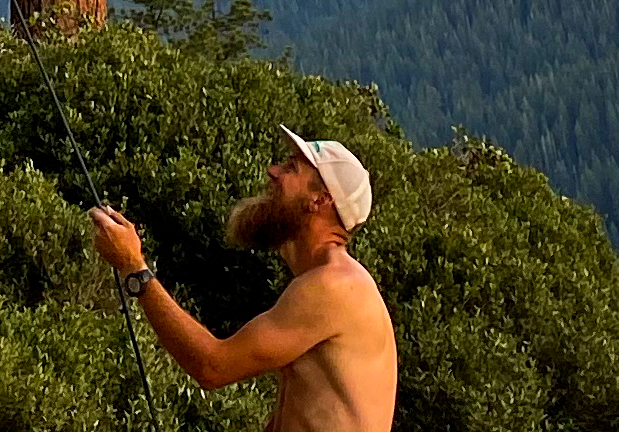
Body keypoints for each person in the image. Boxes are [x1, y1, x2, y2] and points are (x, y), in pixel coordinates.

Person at [89, 132, 395, 432]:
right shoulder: (328, 282)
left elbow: (213, 368)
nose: (272, 172)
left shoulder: (334, 286)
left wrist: (134, 269)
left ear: (320, 199)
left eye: (291, 168)